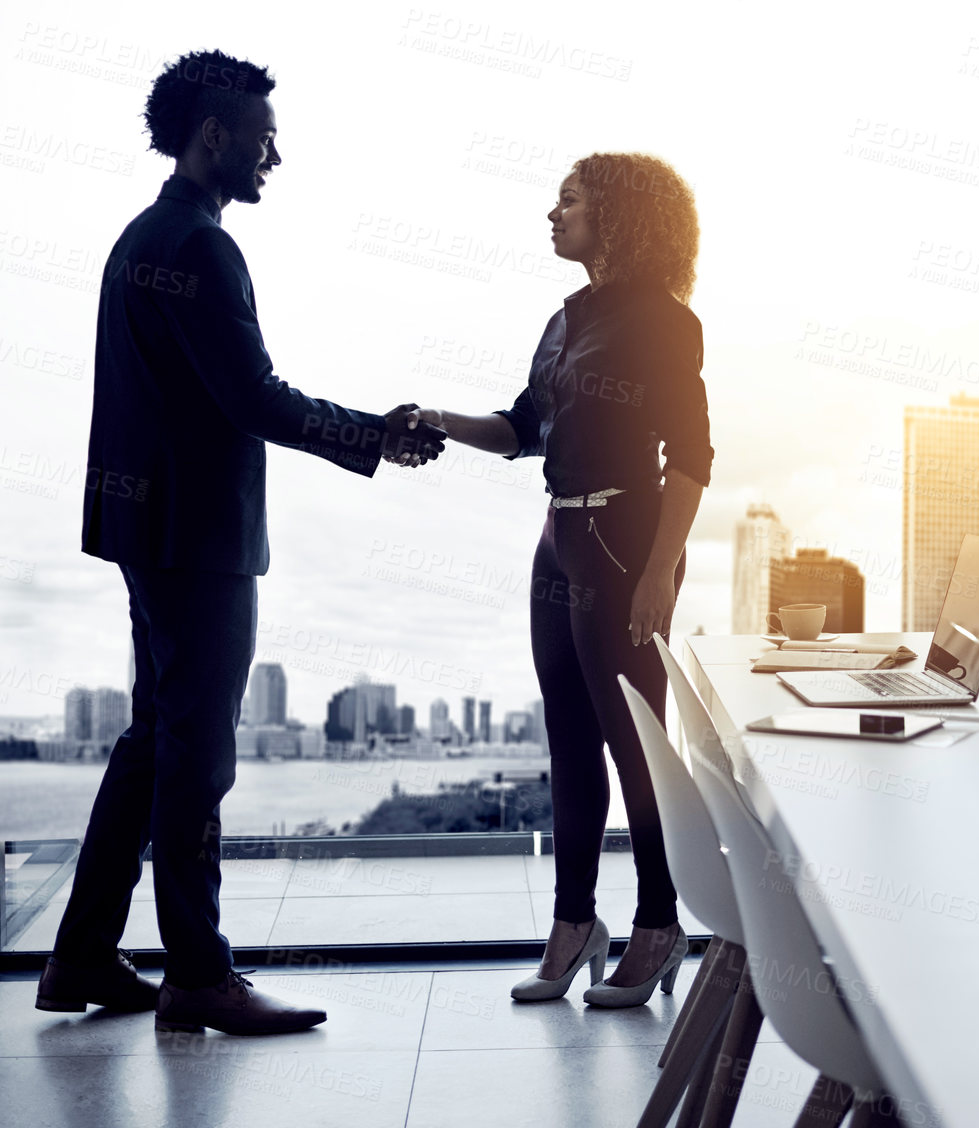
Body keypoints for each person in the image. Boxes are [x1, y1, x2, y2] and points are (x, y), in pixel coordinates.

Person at [35, 49, 445, 1036]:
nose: (275, 156)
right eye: (263, 138)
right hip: (198, 540)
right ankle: (199, 975)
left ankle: (85, 954)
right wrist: (374, 433)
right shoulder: (200, 248)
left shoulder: (144, 235)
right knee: (198, 757)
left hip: (147, 530)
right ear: (213, 135)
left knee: (152, 743)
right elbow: (251, 396)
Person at [402, 152, 710, 1005]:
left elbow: (691, 461)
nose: (552, 213)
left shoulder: (663, 321)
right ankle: (574, 925)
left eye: (568, 200)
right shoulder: (564, 321)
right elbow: (522, 428)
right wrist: (437, 420)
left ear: (617, 215)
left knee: (635, 746)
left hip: (624, 539)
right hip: (559, 536)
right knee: (569, 743)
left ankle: (658, 925)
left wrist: (657, 576)